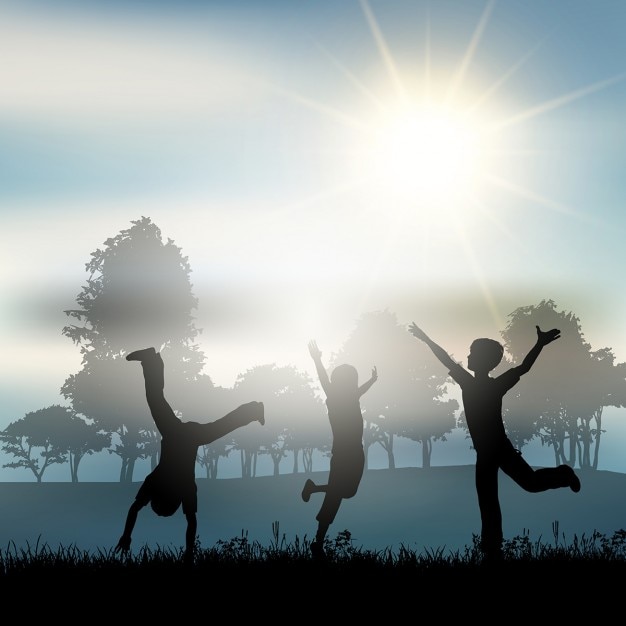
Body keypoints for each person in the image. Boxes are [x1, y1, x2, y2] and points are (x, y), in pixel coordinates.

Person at [408, 322, 581, 562]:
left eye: (471, 353)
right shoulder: (476, 383)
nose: (467, 356)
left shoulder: (483, 384)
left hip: (500, 448)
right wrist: (426, 339)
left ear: (483, 360)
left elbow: (522, 368)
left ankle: (563, 474)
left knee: (525, 486)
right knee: (490, 501)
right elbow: (521, 367)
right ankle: (492, 550)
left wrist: (426, 338)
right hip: (486, 453)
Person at [114, 347, 265, 563]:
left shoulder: (182, 488)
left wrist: (189, 552)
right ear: (158, 500)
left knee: (222, 425)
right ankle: (151, 361)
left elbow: (191, 522)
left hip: (190, 436)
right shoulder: (157, 483)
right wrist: (126, 535)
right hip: (175, 432)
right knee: (156, 399)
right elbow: (135, 509)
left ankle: (254, 409)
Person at [301, 340, 378, 558]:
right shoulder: (335, 398)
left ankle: (314, 489)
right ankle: (318, 542)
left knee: (346, 492)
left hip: (356, 451)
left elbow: (359, 389)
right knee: (336, 496)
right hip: (344, 454)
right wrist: (317, 359)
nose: (354, 384)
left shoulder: (351, 397)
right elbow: (323, 379)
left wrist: (371, 380)